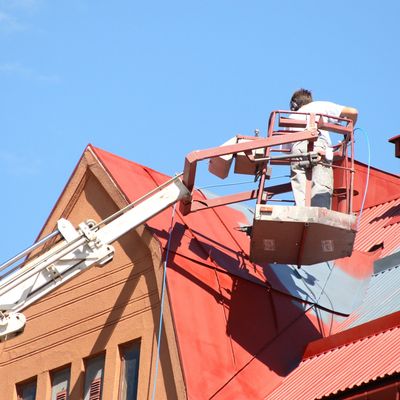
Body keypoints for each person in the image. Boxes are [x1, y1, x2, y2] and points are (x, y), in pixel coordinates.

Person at [288, 89, 358, 208]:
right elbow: (353, 112)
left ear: (294, 105)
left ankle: (301, 214)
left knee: (300, 187)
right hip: (318, 145)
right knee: (320, 183)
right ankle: (320, 213)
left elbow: (285, 150)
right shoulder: (319, 106)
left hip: (296, 149)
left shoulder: (291, 116)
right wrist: (347, 134)